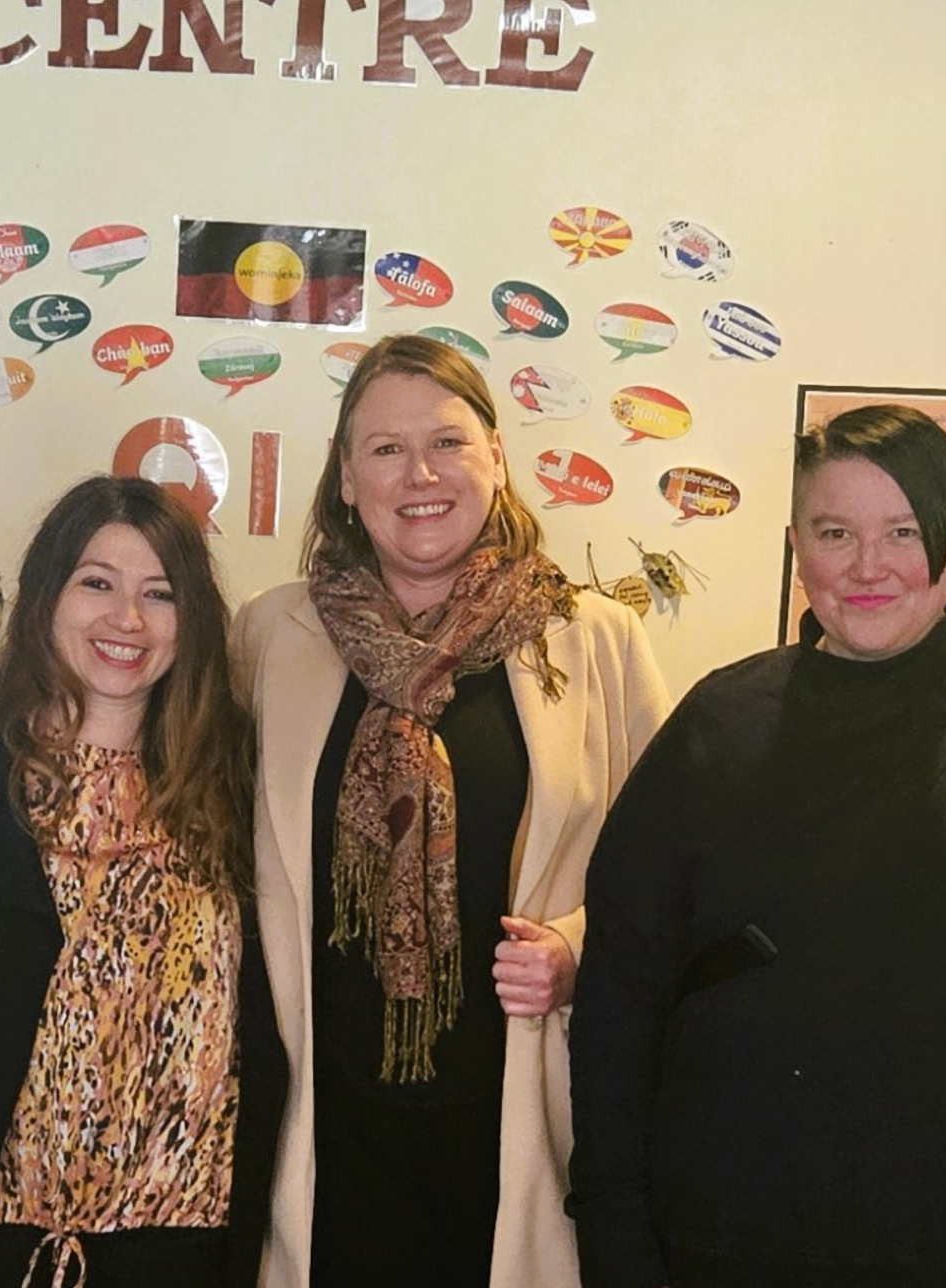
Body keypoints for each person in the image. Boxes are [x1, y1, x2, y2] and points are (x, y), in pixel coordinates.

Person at [568, 404, 946, 1288]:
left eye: (903, 531)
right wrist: (614, 1225)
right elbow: (621, 989)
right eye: (835, 532)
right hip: (724, 1236)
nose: (868, 567)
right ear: (795, 543)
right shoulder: (719, 721)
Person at [231, 334, 671, 1288]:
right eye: (384, 449)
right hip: (324, 1118)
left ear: (498, 459)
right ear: (346, 478)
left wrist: (575, 951)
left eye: (448, 442)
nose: (419, 474)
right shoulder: (272, 636)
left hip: (512, 1116)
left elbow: (668, 873)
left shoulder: (593, 640)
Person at [0, 477, 283, 1287]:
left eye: (159, 595)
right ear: (45, 594)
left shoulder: (243, 771)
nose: (127, 620)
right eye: (98, 583)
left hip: (187, 1240)